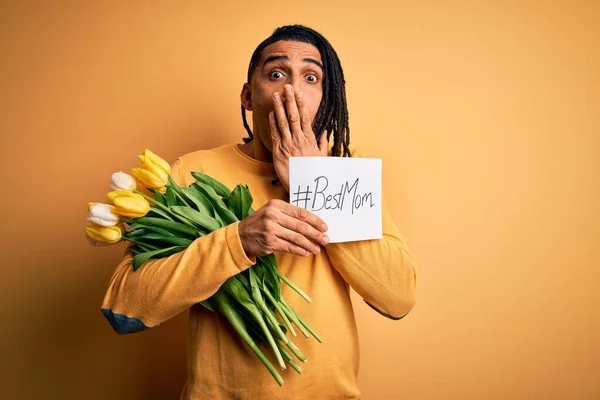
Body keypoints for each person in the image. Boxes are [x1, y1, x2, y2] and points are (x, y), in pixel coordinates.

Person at [101, 24, 417, 400]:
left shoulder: (348, 172)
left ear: (326, 99)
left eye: (311, 77)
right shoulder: (189, 171)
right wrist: (239, 241)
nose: (292, 91)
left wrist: (315, 181)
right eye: (276, 74)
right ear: (249, 96)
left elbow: (398, 297)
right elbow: (125, 307)